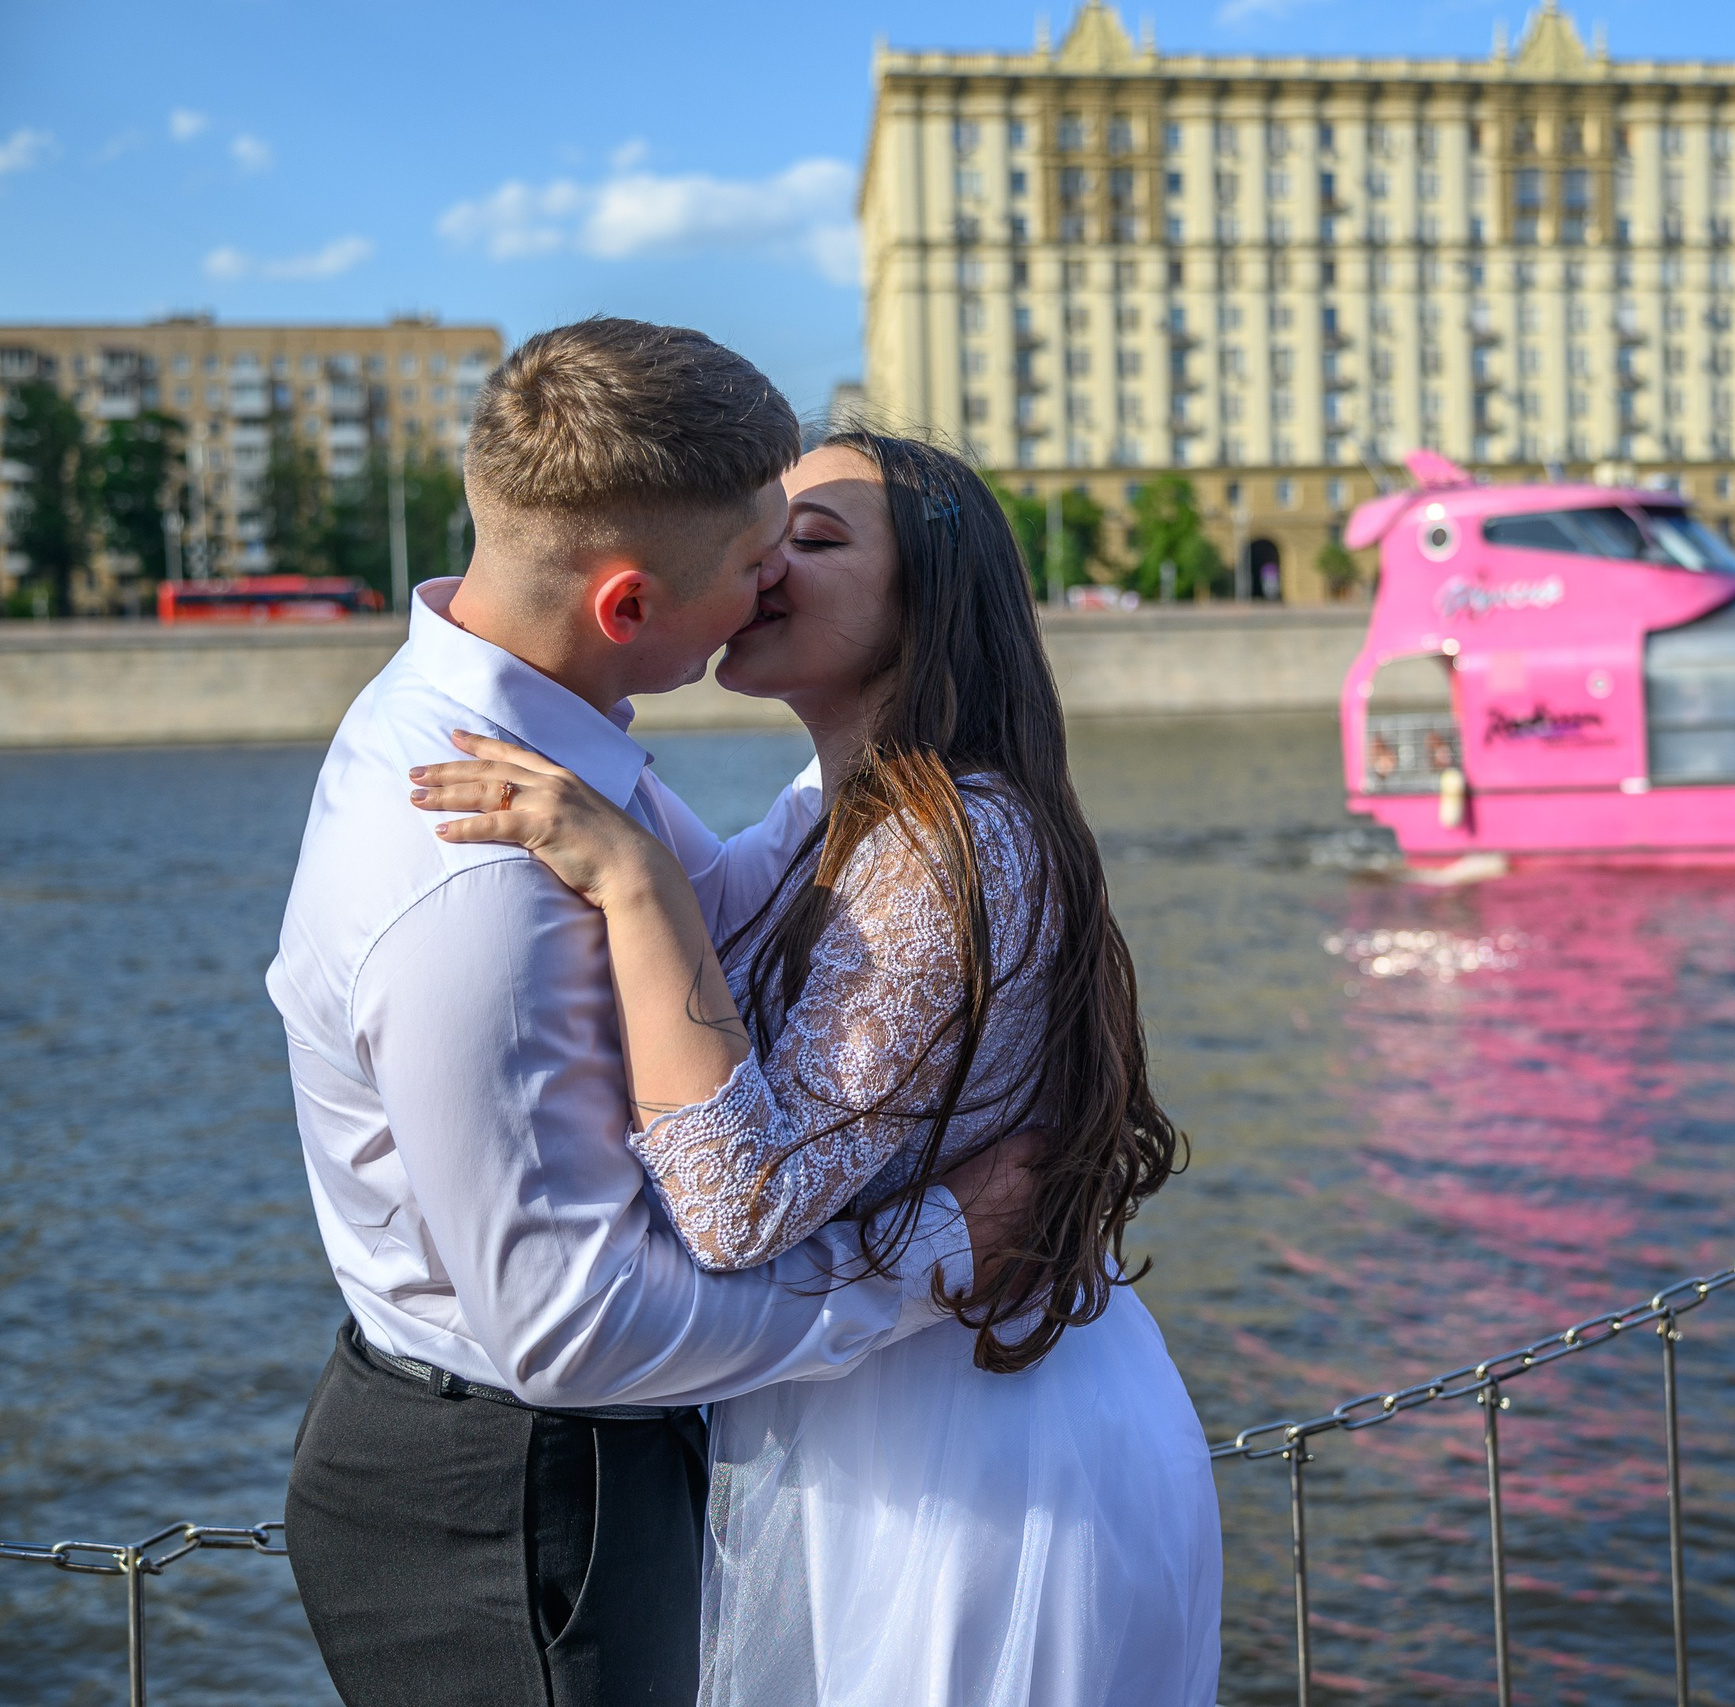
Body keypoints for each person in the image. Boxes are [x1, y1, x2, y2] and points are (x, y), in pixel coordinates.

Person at [270, 320, 1038, 1707]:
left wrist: (877, 727)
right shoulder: (474, 880)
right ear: (630, 606)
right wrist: (939, 1252)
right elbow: (576, 1328)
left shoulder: (537, 728)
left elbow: (730, 904)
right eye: (755, 567)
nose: (768, 591)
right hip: (514, 1502)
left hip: (568, 1457)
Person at [408, 425, 1222, 1706]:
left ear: (927, 601)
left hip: (988, 1468)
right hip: (903, 1421)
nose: (761, 561)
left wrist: (628, 879)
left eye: (818, 538)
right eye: (756, 533)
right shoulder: (847, 806)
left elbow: (738, 1208)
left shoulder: (949, 846)